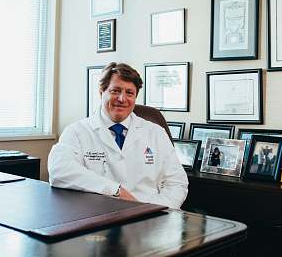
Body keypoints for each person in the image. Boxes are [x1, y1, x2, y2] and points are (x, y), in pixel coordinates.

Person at [48, 62, 188, 209]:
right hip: (99, 216)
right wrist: (115, 190)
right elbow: (59, 169)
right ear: (101, 92)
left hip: (150, 217)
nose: (122, 99)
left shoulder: (156, 133)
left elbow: (177, 183)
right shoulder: (77, 131)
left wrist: (152, 209)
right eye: (115, 91)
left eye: (129, 93)